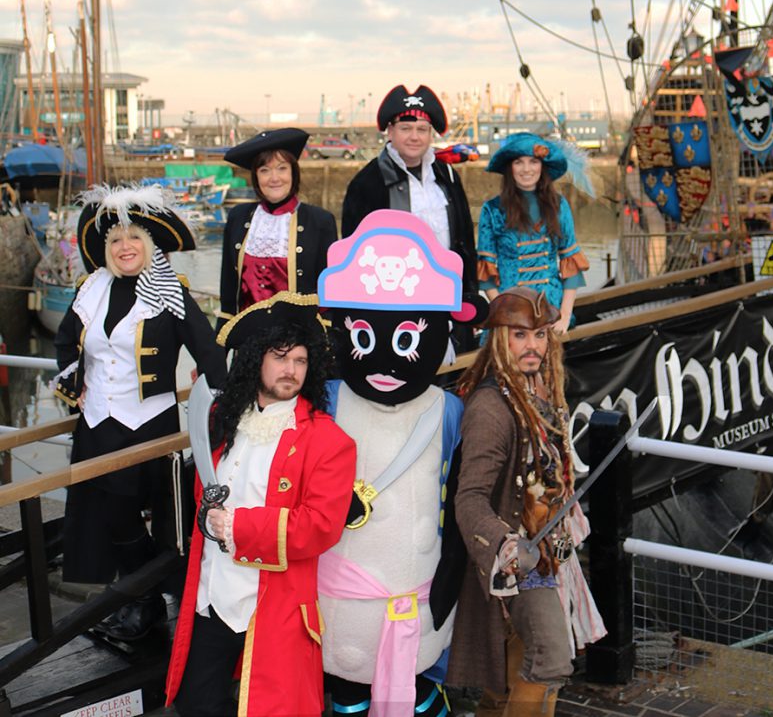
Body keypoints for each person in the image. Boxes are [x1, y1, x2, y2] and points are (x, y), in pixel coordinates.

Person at [316, 209, 488, 717]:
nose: (387, 359)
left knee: (415, 685)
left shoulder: (448, 411)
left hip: (415, 595)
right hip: (340, 599)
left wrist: (448, 584)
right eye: (366, 337)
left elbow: (458, 502)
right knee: (347, 688)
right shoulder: (326, 401)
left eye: (409, 339)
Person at [165, 292, 356, 717]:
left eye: (301, 361)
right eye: (280, 357)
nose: (290, 370)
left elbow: (320, 526)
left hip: (273, 609)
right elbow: (207, 492)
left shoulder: (329, 441)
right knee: (195, 705)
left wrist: (236, 528)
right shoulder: (223, 420)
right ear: (257, 361)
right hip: (211, 597)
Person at [53, 184, 226, 641]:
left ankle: (147, 596)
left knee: (127, 515)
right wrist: (71, 374)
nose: (124, 247)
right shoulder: (91, 287)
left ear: (149, 245)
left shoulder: (169, 293)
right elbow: (64, 340)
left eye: (133, 239)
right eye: (114, 240)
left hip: (146, 427)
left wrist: (228, 397)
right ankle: (143, 597)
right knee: (104, 517)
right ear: (105, 250)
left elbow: (207, 351)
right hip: (94, 426)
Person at [447, 287, 605, 716]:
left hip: (550, 550)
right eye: (519, 335)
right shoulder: (491, 407)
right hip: (518, 557)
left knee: (514, 667)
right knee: (552, 659)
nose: (532, 346)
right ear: (499, 339)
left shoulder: (540, 387)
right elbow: (470, 498)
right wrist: (506, 545)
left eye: (539, 335)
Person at [340, 84, 477, 320]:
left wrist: (470, 295)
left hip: (449, 302)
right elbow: (354, 257)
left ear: (430, 134)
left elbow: (465, 240)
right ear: (390, 131)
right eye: (406, 128)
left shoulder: (447, 175)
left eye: (422, 129)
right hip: (392, 308)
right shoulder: (367, 182)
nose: (415, 137)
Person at [218, 127, 338, 332]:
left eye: (282, 168)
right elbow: (228, 293)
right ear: (256, 177)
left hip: (298, 346)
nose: (274, 178)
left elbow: (329, 295)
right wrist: (215, 356)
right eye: (264, 170)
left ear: (293, 172)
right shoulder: (238, 217)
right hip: (247, 345)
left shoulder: (320, 221)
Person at [477, 133, 591, 335]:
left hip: (551, 311)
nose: (526, 169)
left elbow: (570, 262)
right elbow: (485, 274)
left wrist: (564, 316)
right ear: (509, 168)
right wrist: (503, 312)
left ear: (542, 166)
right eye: (519, 162)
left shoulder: (559, 205)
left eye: (533, 161)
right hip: (509, 312)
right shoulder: (492, 209)